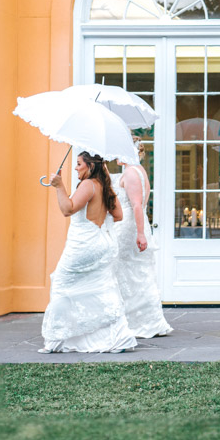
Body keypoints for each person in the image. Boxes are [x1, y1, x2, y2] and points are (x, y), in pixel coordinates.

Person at [40, 153, 137, 354]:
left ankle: (57, 340)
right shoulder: (104, 186)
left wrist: (59, 186)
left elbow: (67, 209)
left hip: (83, 245)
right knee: (99, 289)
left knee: (62, 285)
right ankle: (116, 338)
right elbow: (118, 215)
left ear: (90, 166)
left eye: (78, 164)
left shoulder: (88, 185)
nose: (75, 168)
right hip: (102, 243)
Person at [112, 147, 173, 340]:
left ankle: (139, 322)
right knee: (134, 274)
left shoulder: (131, 172)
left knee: (130, 274)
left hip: (130, 228)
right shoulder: (137, 170)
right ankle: (139, 319)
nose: (114, 155)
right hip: (131, 226)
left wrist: (140, 234)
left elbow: (137, 204)